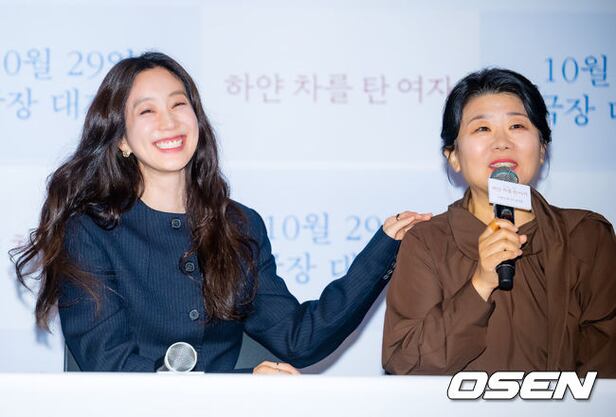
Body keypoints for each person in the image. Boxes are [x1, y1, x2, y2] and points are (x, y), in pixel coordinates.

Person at [11, 52, 431, 374]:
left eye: (179, 105)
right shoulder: (90, 230)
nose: (169, 122)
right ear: (121, 139)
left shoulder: (239, 226)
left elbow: (299, 339)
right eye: (147, 111)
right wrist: (243, 384)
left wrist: (384, 247)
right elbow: (110, 363)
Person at [382, 68, 616, 377]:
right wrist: (479, 285)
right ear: (453, 156)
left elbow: (605, 367)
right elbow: (404, 362)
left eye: (517, 126)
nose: (502, 142)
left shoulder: (585, 235)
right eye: (482, 129)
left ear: (542, 148)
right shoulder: (427, 242)